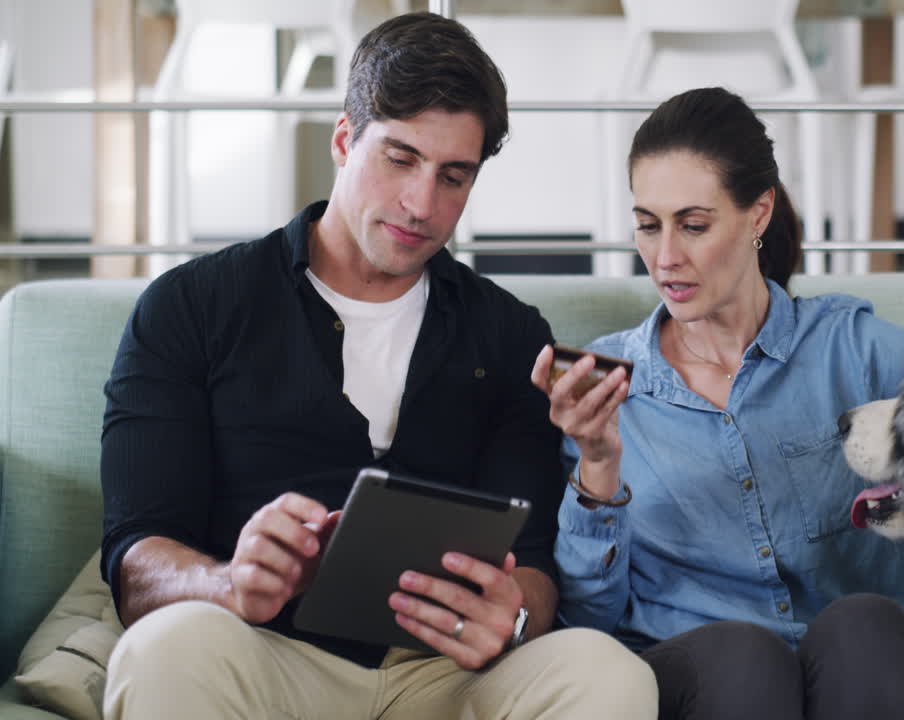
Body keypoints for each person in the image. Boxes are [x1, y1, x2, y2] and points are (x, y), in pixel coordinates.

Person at [99, 12, 656, 720]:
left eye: (453, 177)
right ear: (343, 139)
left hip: (448, 675)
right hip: (263, 655)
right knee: (164, 649)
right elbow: (135, 556)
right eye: (400, 158)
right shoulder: (192, 307)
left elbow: (538, 564)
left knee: (607, 674)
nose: (422, 204)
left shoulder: (509, 335)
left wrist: (515, 620)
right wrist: (227, 582)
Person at [531, 86, 904, 720]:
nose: (665, 258)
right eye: (647, 225)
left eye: (693, 225)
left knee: (870, 623)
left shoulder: (854, 352)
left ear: (758, 214)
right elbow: (588, 620)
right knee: (748, 657)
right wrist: (598, 465)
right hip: (693, 674)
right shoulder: (604, 390)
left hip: (850, 666)